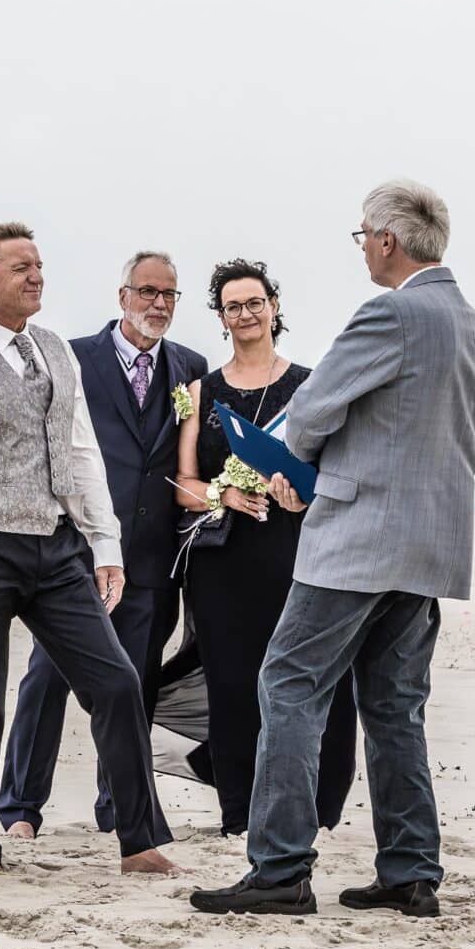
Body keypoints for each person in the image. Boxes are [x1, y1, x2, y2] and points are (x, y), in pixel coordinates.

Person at [191, 180, 475, 917]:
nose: (362, 248)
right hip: (430, 545)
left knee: (288, 683)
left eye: (363, 236)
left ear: (387, 241)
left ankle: (281, 865)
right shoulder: (469, 319)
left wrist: (288, 471)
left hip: (361, 539)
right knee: (393, 705)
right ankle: (411, 869)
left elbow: (317, 404)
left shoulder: (391, 310)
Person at [0, 223, 178, 874]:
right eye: (20, 267)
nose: (35, 277)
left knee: (115, 681)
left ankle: (140, 841)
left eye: (39, 266)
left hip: (56, 549)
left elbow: (80, 449)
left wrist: (104, 542)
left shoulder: (57, 350)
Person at [0, 250, 208, 840]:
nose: (158, 304)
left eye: (168, 295)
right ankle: (19, 809)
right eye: (147, 292)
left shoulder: (190, 367)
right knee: (47, 678)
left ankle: (119, 809)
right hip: (77, 552)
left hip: (151, 557)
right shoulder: (73, 356)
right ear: (123, 297)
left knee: (133, 684)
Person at [171, 259, 356, 836]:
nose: (245, 314)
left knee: (314, 678)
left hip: (298, 553)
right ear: (221, 317)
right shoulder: (200, 392)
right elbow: (182, 485)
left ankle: (318, 808)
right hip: (222, 564)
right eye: (233, 306)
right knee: (232, 684)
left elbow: (338, 467)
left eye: (255, 302)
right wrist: (223, 494)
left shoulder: (309, 384)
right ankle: (237, 812)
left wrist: (298, 492)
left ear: (274, 307)